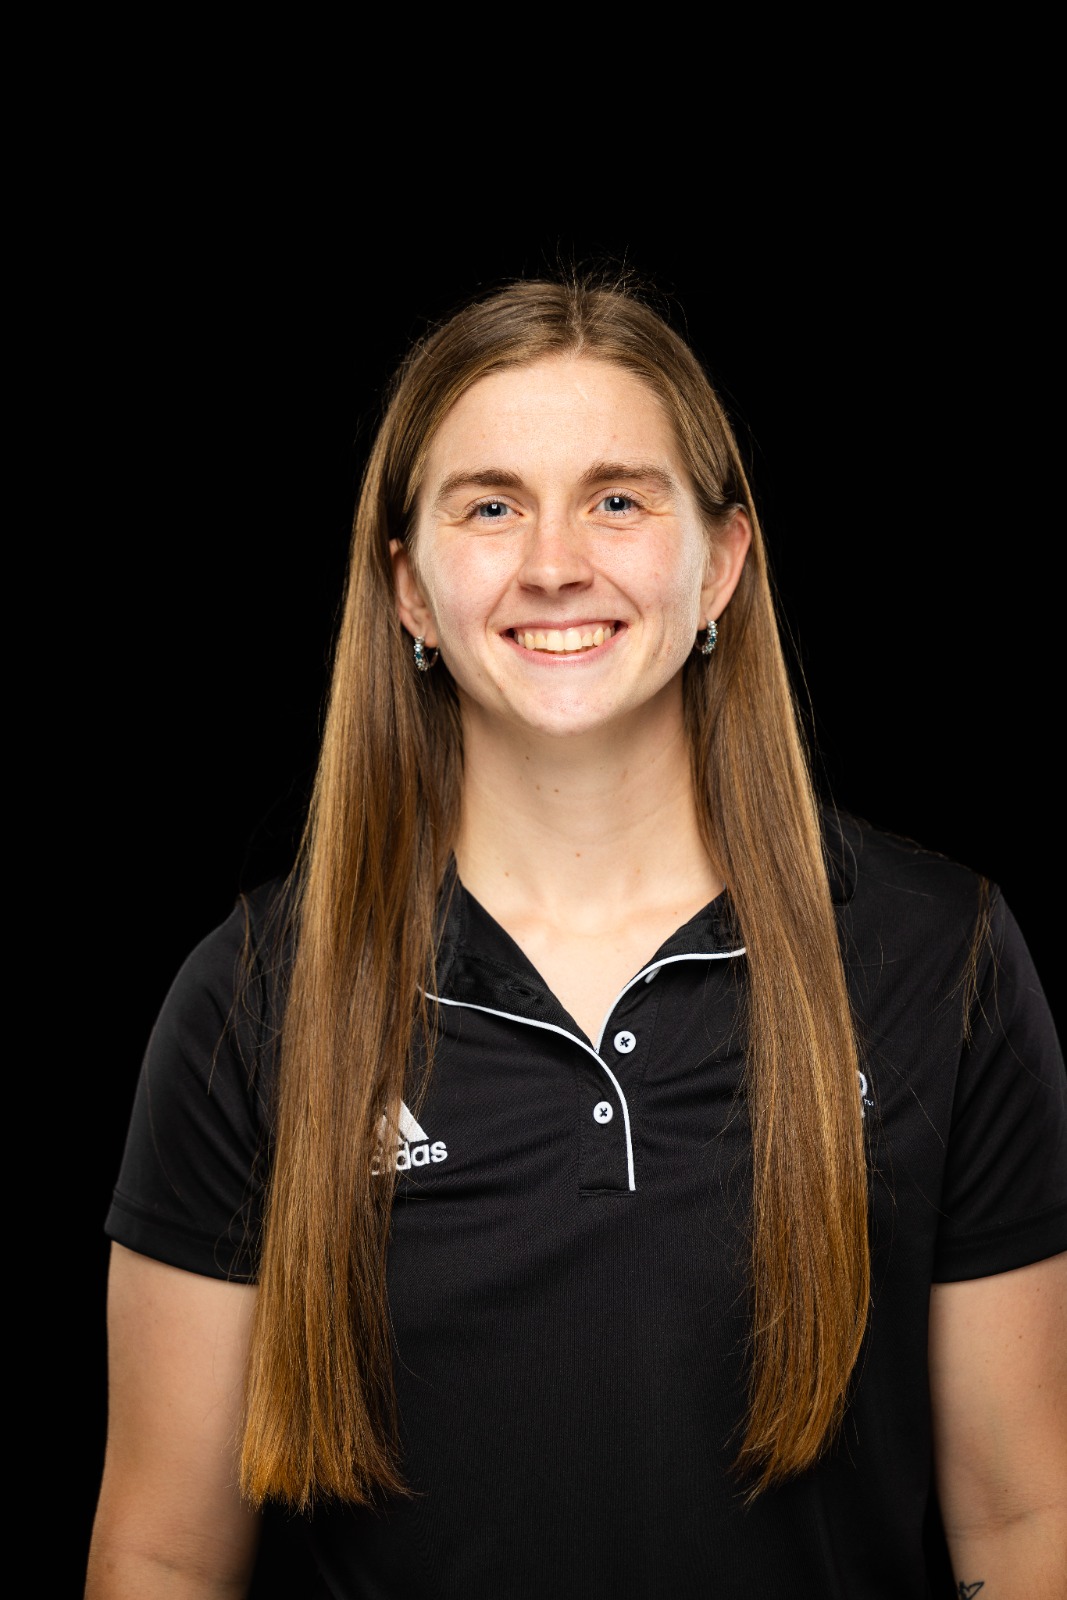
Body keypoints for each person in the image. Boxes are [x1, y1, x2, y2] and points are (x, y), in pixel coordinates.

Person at [85, 274, 1067, 1600]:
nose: (556, 561)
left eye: (617, 498)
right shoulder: (256, 1001)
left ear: (719, 562)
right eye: (490, 506)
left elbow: (1018, 1525)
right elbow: (158, 1556)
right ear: (411, 592)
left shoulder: (938, 963)